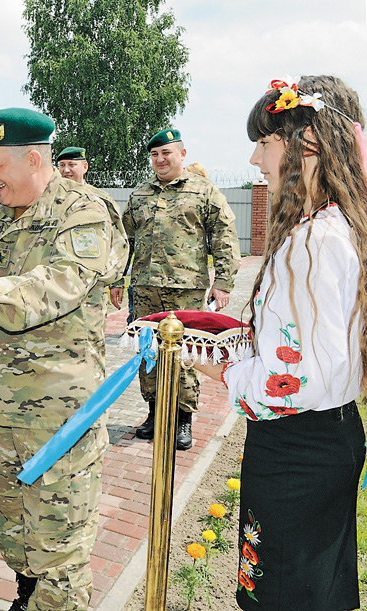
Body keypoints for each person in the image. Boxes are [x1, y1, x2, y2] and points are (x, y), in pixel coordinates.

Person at [0, 108, 128, 611]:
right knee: (11, 526)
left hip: (60, 418)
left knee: (60, 547)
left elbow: (54, 286)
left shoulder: (84, 212)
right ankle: (25, 595)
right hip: (1, 412)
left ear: (33, 159)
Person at [195, 75, 367, 611]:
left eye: (265, 142)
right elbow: (305, 344)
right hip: (325, 438)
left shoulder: (312, 243)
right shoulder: (333, 226)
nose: (253, 158)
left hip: (297, 448)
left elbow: (290, 383)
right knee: (318, 589)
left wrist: (218, 369)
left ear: (305, 148)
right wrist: (242, 346)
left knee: (282, 593)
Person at [109, 127, 241, 450]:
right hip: (144, 292)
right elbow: (122, 241)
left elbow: (224, 235)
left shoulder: (204, 192)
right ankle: (154, 413)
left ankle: (183, 420)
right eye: (154, 155)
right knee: (147, 354)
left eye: (166, 153)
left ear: (182, 154)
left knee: (187, 356)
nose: (160, 159)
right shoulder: (140, 195)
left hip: (187, 293)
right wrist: (116, 279)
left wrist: (223, 282)